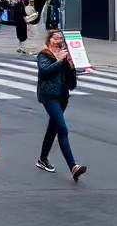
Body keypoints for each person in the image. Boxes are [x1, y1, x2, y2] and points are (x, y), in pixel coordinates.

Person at [37, 29, 87, 180]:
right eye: (56, 38)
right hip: (49, 96)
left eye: (61, 38)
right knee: (62, 129)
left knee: (53, 128)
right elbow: (45, 72)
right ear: (50, 40)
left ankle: (42, 159)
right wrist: (59, 61)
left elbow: (72, 84)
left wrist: (71, 66)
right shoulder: (43, 55)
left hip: (62, 97)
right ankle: (73, 167)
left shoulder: (65, 56)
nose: (59, 41)